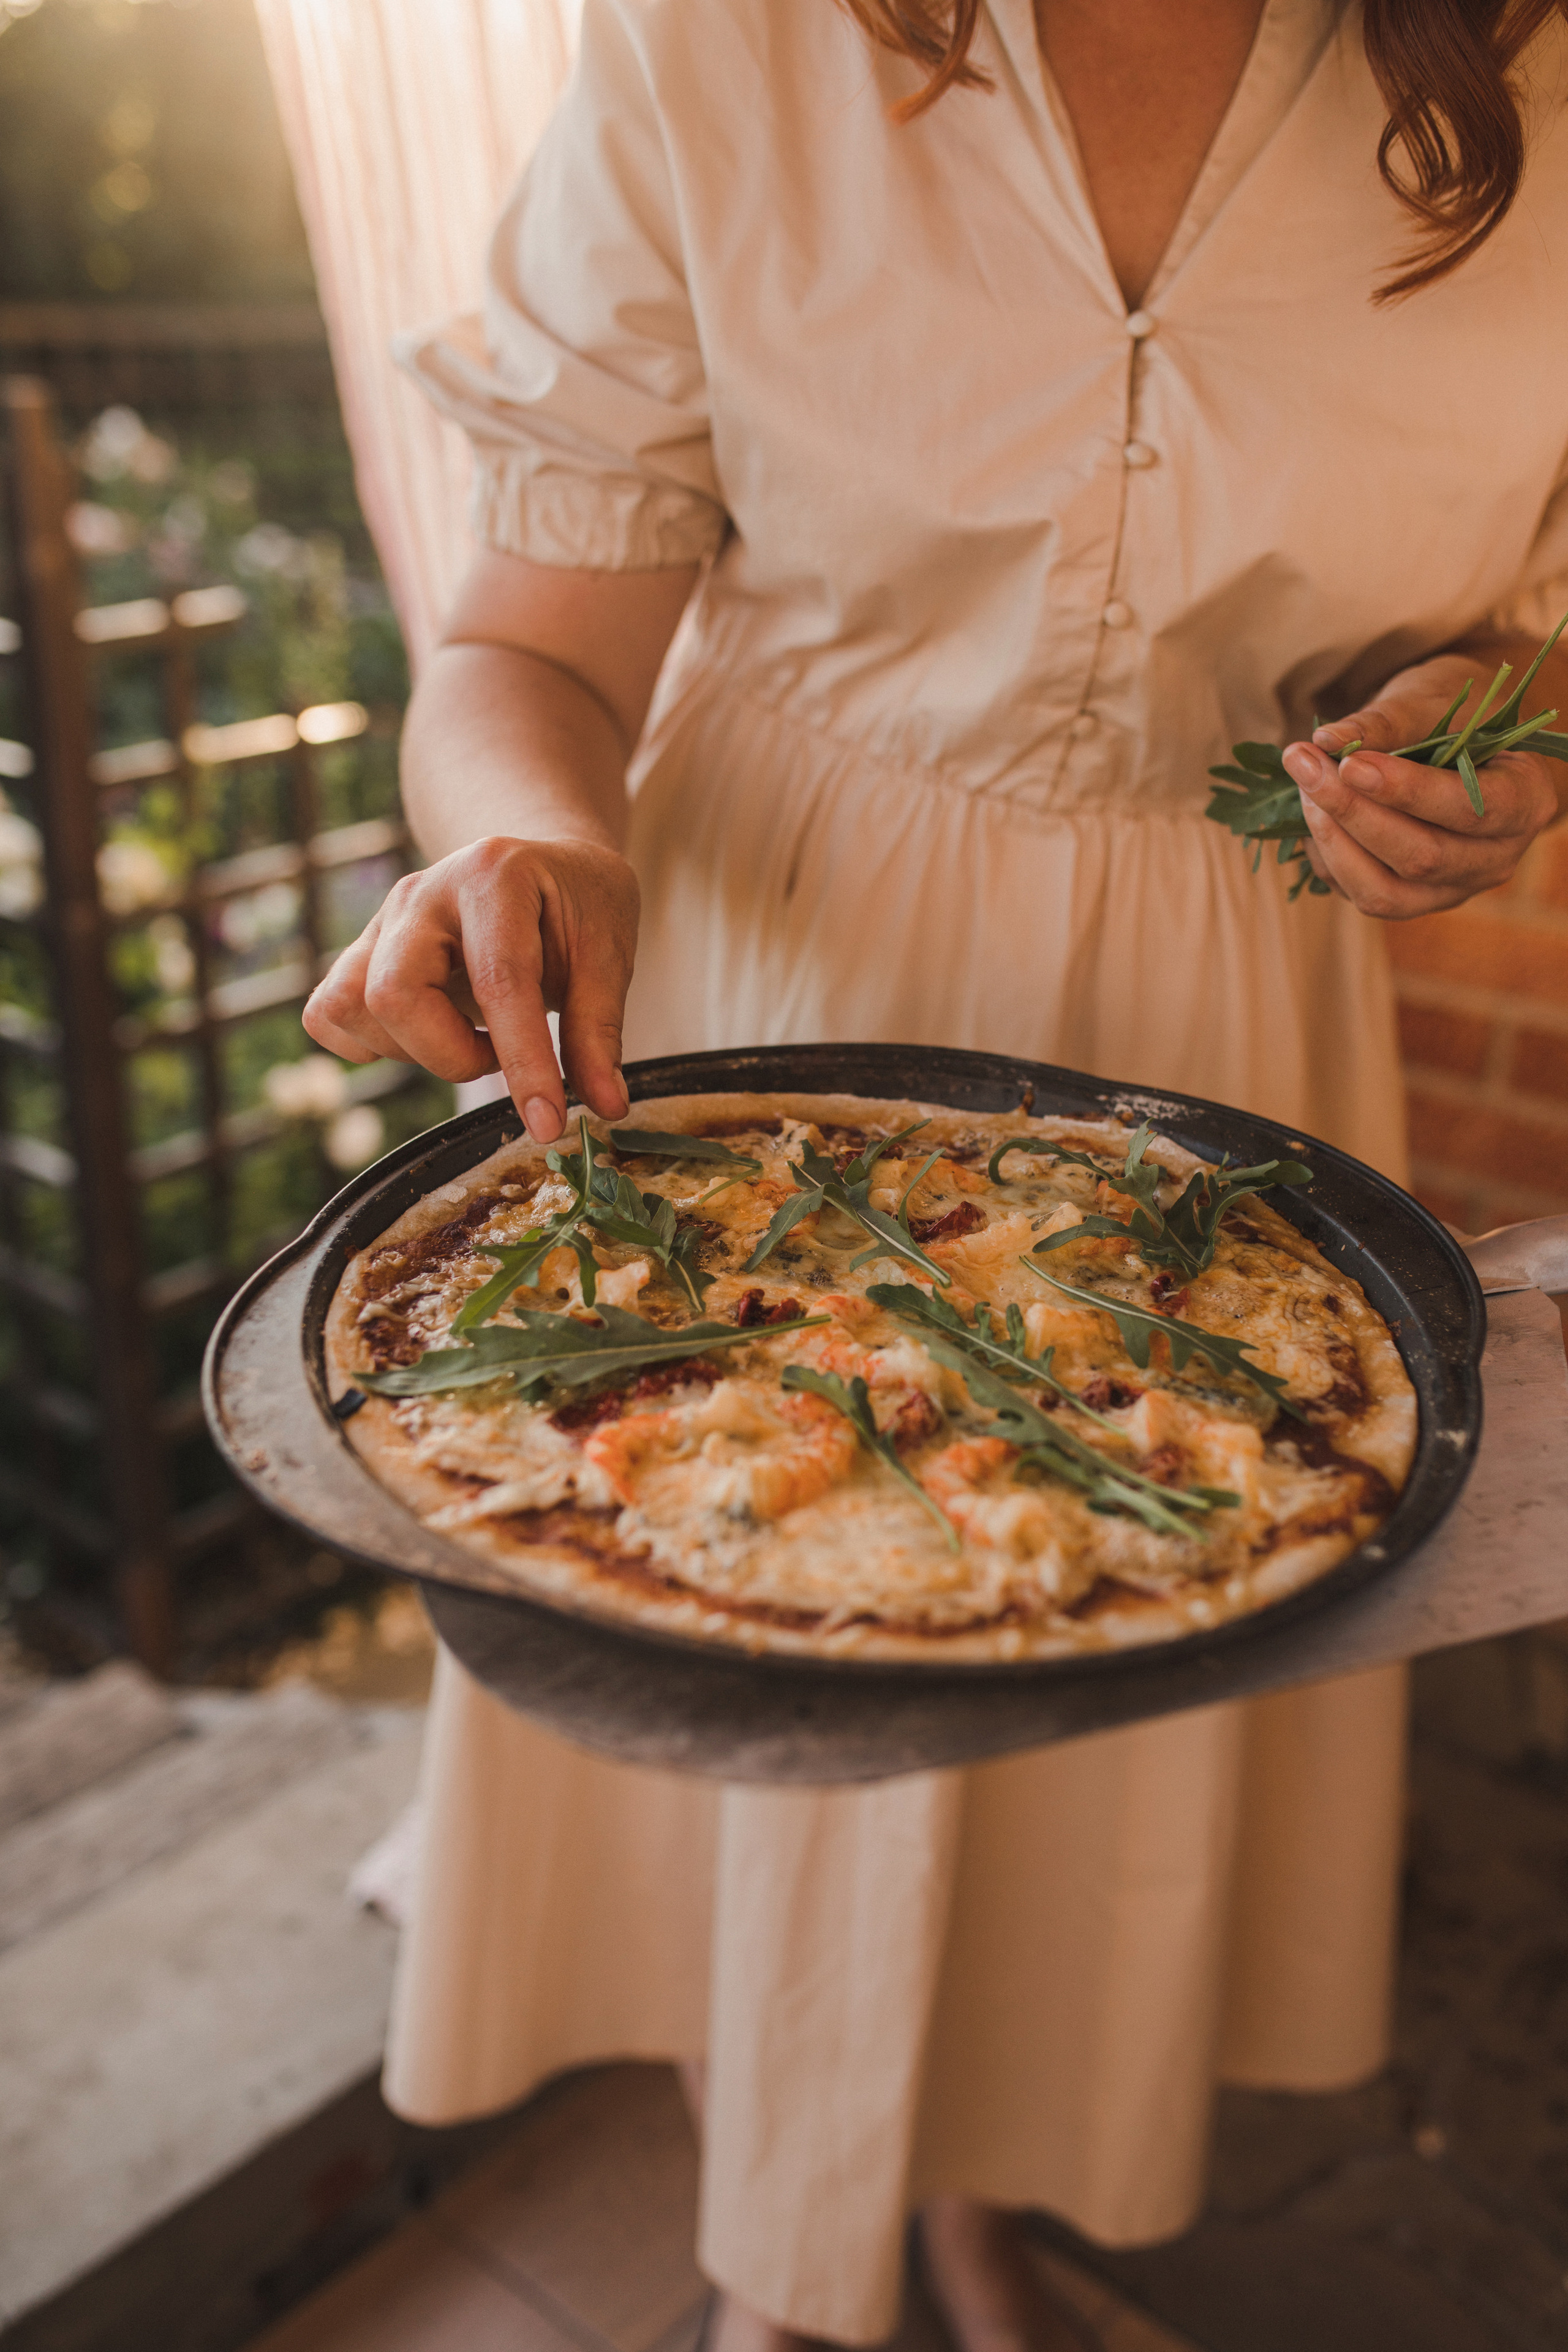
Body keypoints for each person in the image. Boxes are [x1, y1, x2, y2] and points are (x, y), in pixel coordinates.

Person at [305, 2, 1568, 2345]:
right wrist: (523, 838)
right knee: (742, 1602)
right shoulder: (726, 37)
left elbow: (1541, 654)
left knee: (1105, 1694)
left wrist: (1500, 757)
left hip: (1223, 1037)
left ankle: (975, 2199)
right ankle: (781, 2262)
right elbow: (523, 648)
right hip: (765, 1004)